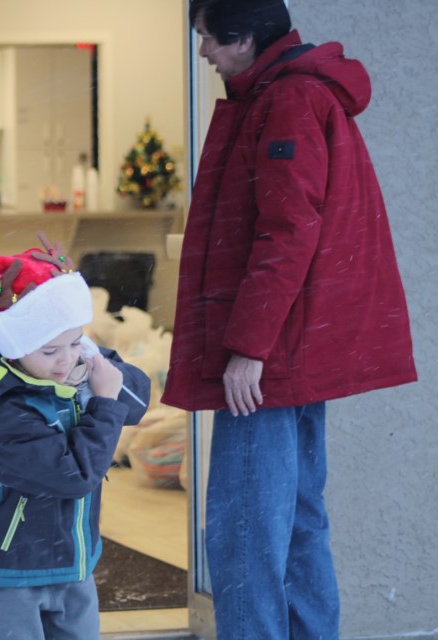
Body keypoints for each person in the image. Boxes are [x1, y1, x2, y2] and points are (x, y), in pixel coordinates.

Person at [163, 1, 418, 638]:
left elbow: (286, 233)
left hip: (270, 356)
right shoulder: (290, 95)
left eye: (209, 40)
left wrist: (248, 349)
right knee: (298, 520)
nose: (204, 55)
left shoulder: (288, 103)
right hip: (293, 348)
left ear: (245, 39)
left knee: (244, 531)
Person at [0, 237, 150, 640]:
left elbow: (137, 402)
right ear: (13, 347)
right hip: (12, 569)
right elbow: (74, 475)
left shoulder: (69, 370)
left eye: (75, 342)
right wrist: (102, 402)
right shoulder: (6, 410)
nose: (66, 359)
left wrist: (95, 363)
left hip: (74, 563)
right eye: (51, 350)